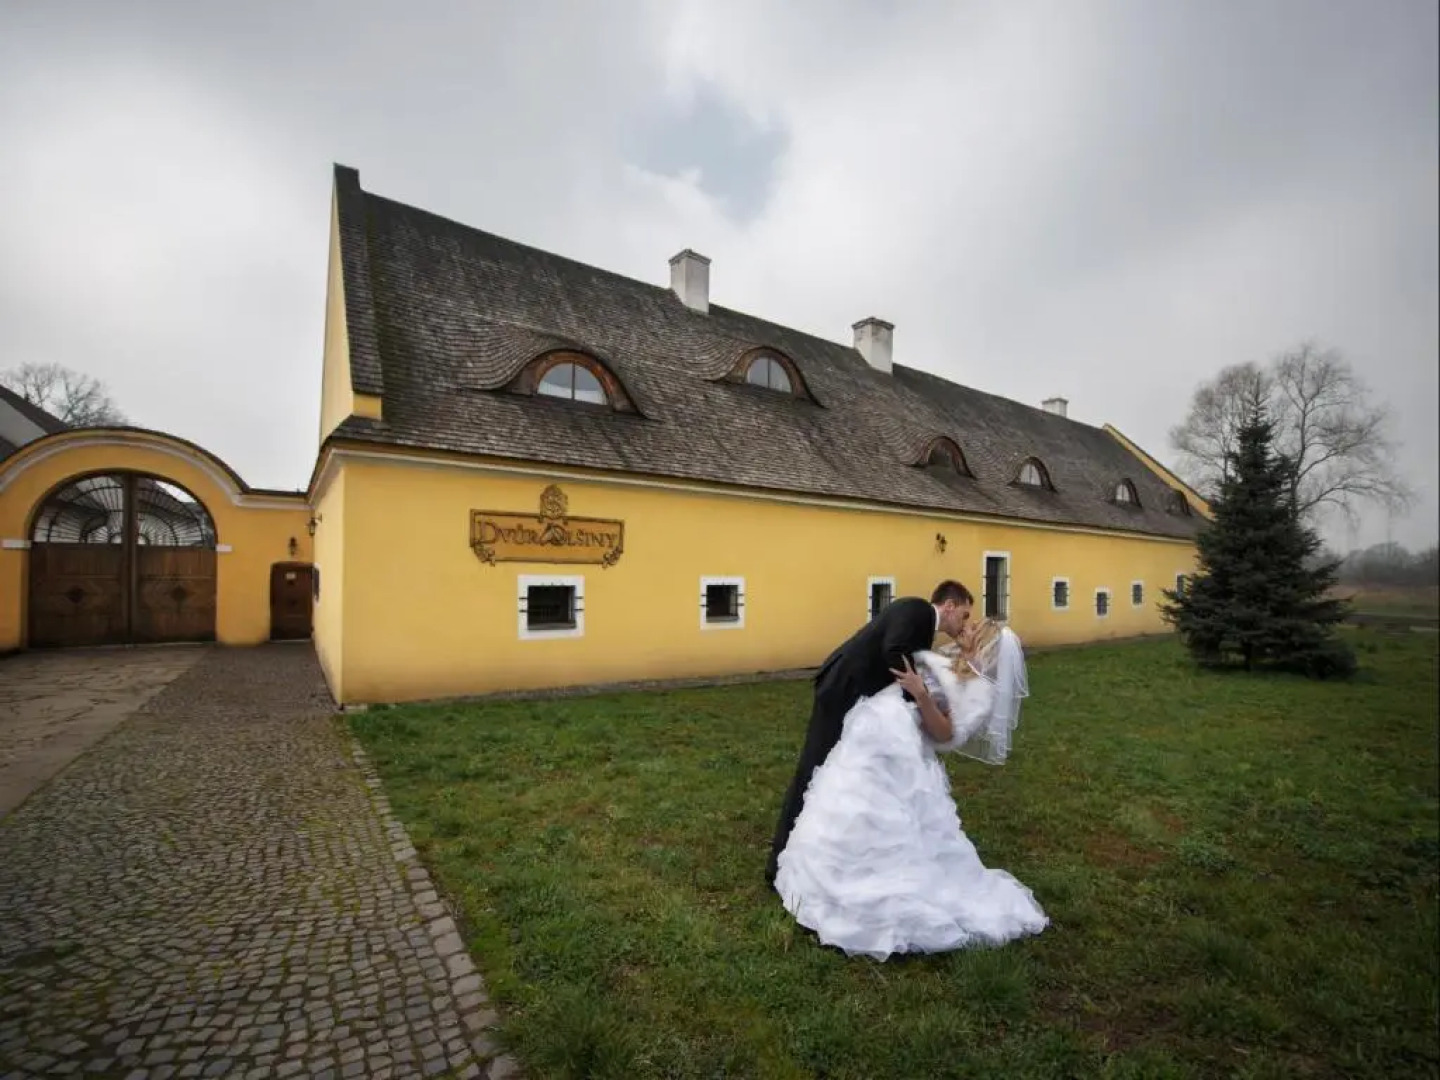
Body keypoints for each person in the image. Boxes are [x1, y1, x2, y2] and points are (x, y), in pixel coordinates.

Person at [772, 618, 1047, 961]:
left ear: (989, 647)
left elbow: (947, 734)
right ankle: (825, 880)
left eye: (976, 628)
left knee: (879, 815)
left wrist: (920, 694)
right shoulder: (957, 663)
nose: (968, 626)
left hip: (898, 750)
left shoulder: (981, 688)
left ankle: (870, 895)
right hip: (871, 731)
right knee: (848, 804)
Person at [764, 581, 974, 886]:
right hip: (842, 691)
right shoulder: (917, 609)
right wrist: (918, 696)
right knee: (814, 769)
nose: (964, 622)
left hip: (852, 693)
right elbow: (894, 649)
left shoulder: (920, 620)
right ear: (949, 606)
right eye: (965, 615)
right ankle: (780, 861)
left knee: (827, 771)